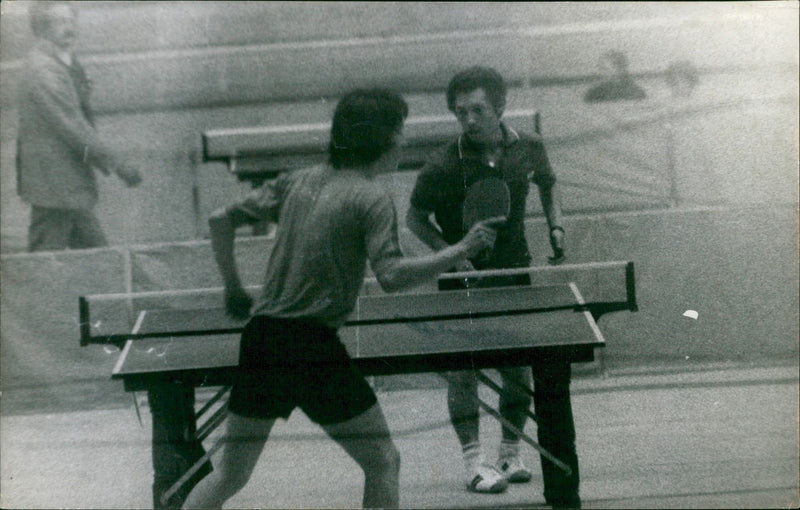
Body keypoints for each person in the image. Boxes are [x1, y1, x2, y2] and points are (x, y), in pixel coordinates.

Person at [183, 88, 503, 509]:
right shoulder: (372, 197)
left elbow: (219, 221)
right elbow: (391, 276)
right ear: (382, 139)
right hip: (311, 347)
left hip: (262, 339)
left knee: (229, 473)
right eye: (399, 131)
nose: (403, 141)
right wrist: (458, 251)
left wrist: (233, 287)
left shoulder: (298, 180)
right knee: (384, 462)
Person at [407, 67, 580, 508]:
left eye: (477, 110)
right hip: (461, 279)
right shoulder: (443, 163)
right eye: (460, 112)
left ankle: (508, 454)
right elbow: (414, 218)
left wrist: (556, 227)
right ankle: (472, 463)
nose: (468, 119)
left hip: (512, 272)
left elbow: (549, 185)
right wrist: (451, 252)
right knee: (464, 371)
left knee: (518, 370)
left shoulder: (530, 147)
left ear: (500, 108)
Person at [16, 2, 141, 252]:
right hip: (54, 185)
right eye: (59, 22)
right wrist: (117, 164)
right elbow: (72, 124)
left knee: (92, 257)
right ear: (42, 28)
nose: (69, 27)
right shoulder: (44, 69)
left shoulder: (62, 62)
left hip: (63, 183)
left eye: (71, 20)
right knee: (48, 263)